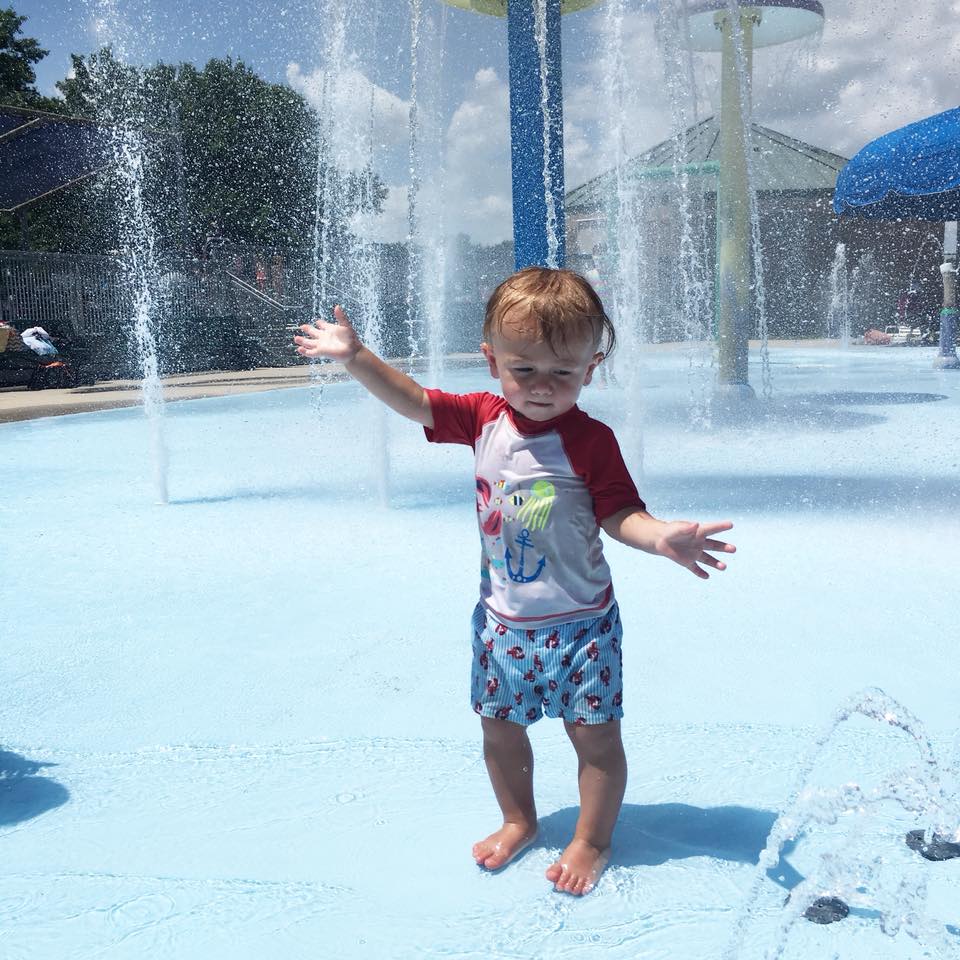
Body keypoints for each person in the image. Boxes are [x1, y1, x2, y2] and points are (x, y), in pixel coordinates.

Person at [294, 267, 735, 896]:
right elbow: (414, 400)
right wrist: (357, 356)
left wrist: (659, 536)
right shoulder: (481, 419)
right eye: (523, 369)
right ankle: (518, 819)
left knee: (596, 741)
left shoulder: (590, 440)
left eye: (563, 372)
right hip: (503, 624)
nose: (542, 387)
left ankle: (592, 838)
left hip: (583, 628)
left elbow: (618, 514)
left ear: (593, 366)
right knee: (499, 732)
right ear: (492, 360)